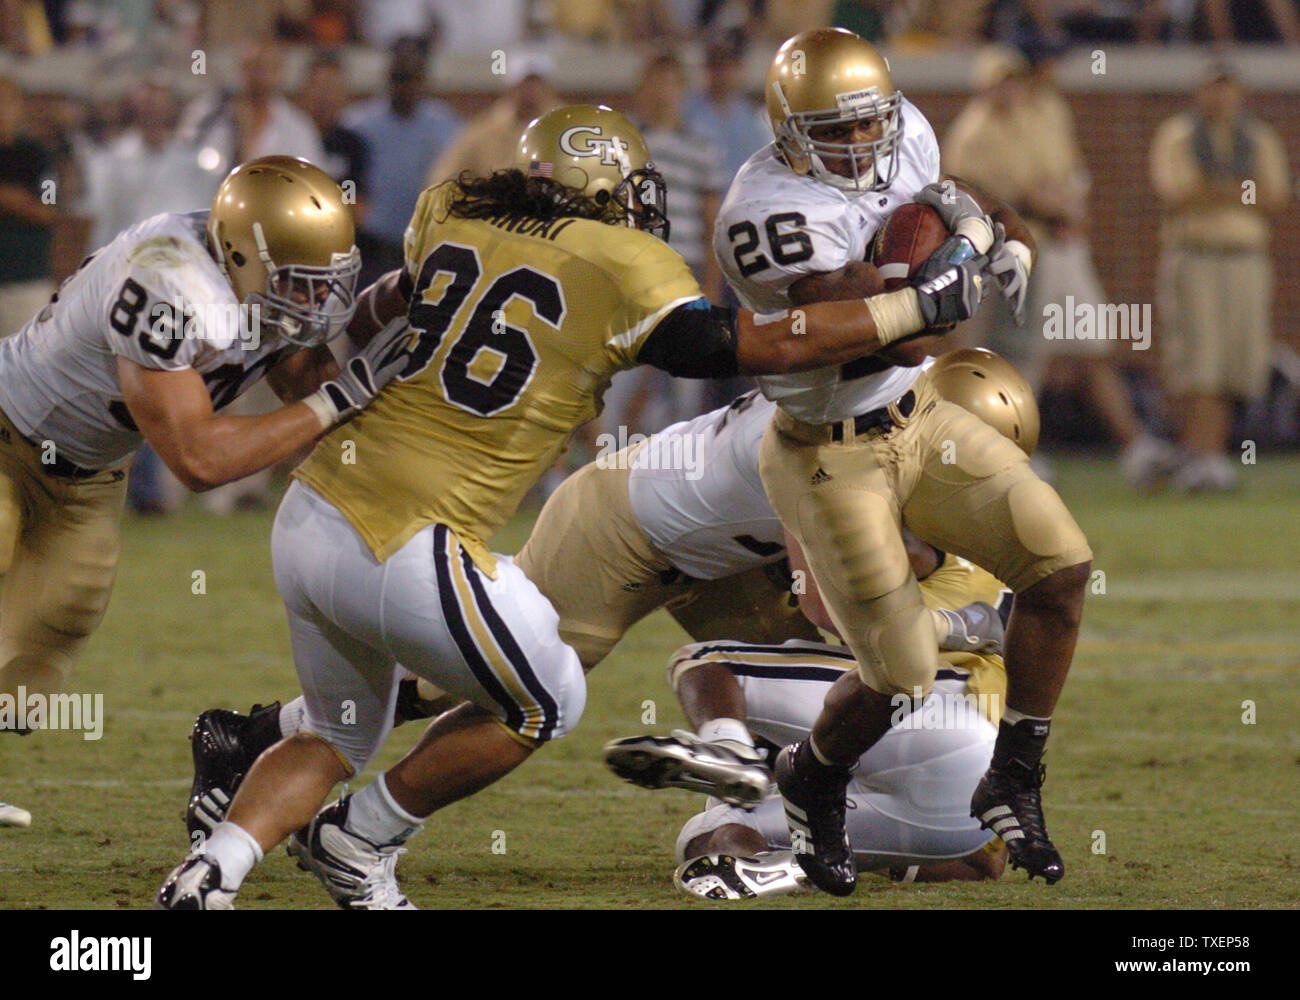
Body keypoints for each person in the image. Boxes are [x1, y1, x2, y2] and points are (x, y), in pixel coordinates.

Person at [155, 102, 995, 909]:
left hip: (310, 512)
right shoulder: (619, 264)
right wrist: (917, 304)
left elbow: (395, 298)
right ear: (602, 194)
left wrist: (333, 365)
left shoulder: (452, 210)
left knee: (340, 734)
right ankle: (363, 837)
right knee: (548, 695)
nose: (640, 214)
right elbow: (771, 343)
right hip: (411, 531)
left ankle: (210, 872)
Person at [715, 28, 1091, 895]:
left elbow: (943, 196)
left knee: (1062, 569)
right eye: (835, 131)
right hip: (826, 450)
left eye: (869, 124)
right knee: (900, 673)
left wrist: (992, 227)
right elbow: (863, 327)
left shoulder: (907, 130)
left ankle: (1016, 775)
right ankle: (813, 774)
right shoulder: (763, 212)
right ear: (787, 129)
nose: (860, 145)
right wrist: (954, 262)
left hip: (919, 418)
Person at [0, 156, 411, 826]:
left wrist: (399, 297)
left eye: (325, 284)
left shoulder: (252, 282)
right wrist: (338, 400)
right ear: (244, 257)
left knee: (34, 659)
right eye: (300, 284)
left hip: (90, 475)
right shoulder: (166, 281)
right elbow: (198, 460)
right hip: (7, 433)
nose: (315, 303)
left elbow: (303, 371)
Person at [944, 43, 1176, 489]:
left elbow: (1064, 177)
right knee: (1012, 355)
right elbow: (1022, 197)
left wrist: (1070, 210)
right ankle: (1004, 450)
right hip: (1005, 256)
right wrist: (1061, 210)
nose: (1008, 90)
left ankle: (1132, 447)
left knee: (1084, 346)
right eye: (999, 82)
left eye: (1013, 80)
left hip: (1053, 247)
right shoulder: (975, 132)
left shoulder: (1040, 111)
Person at [1149, 63, 1291, 492]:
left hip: (1246, 258)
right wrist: (1235, 188)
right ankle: (1199, 452)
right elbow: (1179, 193)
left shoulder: (1258, 137)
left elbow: (1275, 197)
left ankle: (1204, 453)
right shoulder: (1179, 135)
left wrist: (1219, 188)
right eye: (1213, 88)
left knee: (1237, 360)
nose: (1221, 98)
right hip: (1197, 254)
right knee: (1197, 357)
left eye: (1228, 89)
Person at [342, 38, 462, 289]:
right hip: (374, 249)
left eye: (412, 78)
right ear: (388, 78)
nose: (405, 86)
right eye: (399, 78)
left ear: (423, 79)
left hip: (427, 250)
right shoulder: (360, 124)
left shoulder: (446, 127)